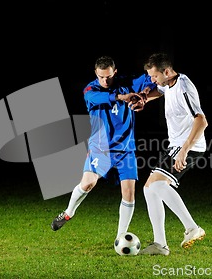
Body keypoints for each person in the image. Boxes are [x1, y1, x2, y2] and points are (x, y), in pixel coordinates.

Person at [51, 56, 154, 239]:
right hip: (101, 148)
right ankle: (68, 213)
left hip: (125, 148)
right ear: (96, 74)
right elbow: (100, 97)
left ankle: (120, 237)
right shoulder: (91, 90)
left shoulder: (127, 83)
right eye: (101, 77)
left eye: (108, 76)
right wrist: (123, 97)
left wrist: (146, 91)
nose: (105, 81)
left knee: (129, 193)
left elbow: (153, 80)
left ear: (115, 72)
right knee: (88, 183)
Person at [137, 53, 208, 256]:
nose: (152, 80)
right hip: (176, 145)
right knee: (149, 189)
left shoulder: (184, 87)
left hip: (188, 146)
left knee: (158, 185)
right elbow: (159, 90)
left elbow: (201, 121)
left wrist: (184, 151)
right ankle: (160, 244)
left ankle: (192, 228)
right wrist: (145, 98)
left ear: (166, 71)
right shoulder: (169, 83)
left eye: (154, 76)